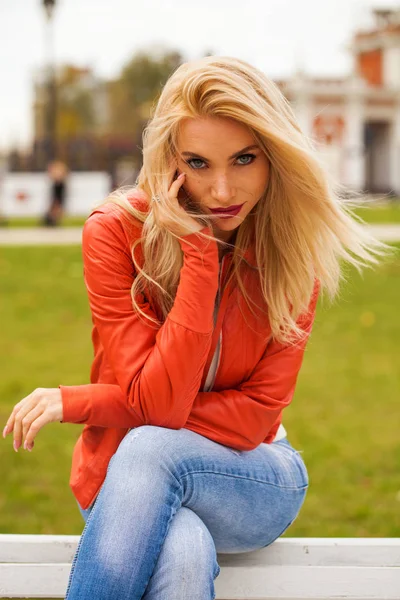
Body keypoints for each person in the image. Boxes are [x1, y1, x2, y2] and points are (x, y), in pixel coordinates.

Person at [3, 56, 384, 600]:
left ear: (273, 157)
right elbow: (157, 405)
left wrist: (87, 402)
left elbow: (252, 418)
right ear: (167, 163)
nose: (222, 189)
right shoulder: (115, 234)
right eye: (198, 164)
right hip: (120, 482)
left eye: (244, 159)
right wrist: (199, 255)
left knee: (150, 448)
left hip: (252, 477)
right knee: (182, 552)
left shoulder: (293, 256)